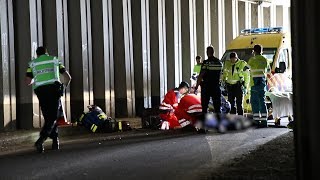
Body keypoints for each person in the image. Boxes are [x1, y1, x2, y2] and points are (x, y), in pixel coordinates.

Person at [25, 46, 72, 153]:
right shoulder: (54, 60)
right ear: (47, 53)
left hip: (41, 92)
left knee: (49, 116)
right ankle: (41, 140)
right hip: (54, 90)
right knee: (53, 117)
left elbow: (28, 81)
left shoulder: (32, 64)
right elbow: (68, 77)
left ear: (37, 55)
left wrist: (35, 80)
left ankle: (55, 141)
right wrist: (63, 87)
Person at [194, 46, 223, 132]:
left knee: (204, 107)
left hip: (206, 87)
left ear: (207, 52)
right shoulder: (219, 62)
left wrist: (196, 86)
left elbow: (201, 75)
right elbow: (221, 75)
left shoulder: (206, 63)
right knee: (217, 107)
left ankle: (204, 127)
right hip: (216, 87)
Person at [248, 44, 270, 127]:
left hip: (254, 83)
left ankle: (256, 121)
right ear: (261, 51)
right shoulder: (265, 59)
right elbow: (268, 70)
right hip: (262, 83)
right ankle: (264, 122)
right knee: (262, 101)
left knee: (255, 102)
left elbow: (245, 68)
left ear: (254, 51)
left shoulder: (252, 59)